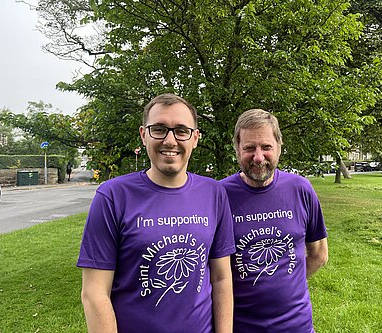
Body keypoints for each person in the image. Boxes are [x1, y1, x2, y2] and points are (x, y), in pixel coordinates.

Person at [77, 93, 235, 333]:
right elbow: (94, 292)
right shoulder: (113, 196)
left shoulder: (214, 193)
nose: (170, 140)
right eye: (159, 129)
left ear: (195, 138)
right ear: (143, 135)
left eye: (181, 130)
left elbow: (221, 279)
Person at [220, 109, 328, 333]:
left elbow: (319, 255)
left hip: (296, 326)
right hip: (241, 326)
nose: (258, 157)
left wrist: (287, 281)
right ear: (237, 149)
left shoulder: (300, 189)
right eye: (249, 148)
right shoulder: (219, 195)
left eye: (266, 147)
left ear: (279, 146)